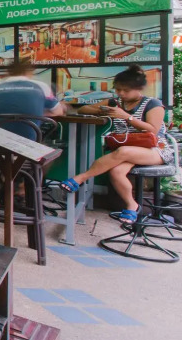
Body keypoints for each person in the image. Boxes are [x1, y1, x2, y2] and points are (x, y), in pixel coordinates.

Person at [59, 64, 174, 223]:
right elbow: (83, 109)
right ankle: (132, 205)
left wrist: (126, 117)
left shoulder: (153, 104)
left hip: (155, 150)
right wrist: (102, 111)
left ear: (139, 89)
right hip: (129, 150)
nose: (121, 93)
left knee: (123, 151)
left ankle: (80, 178)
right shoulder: (115, 102)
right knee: (116, 172)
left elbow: (153, 130)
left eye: (125, 90)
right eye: (118, 89)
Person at [0, 59, 64, 139]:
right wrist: (36, 112)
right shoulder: (42, 87)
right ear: (29, 72)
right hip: (28, 141)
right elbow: (58, 111)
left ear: (8, 73)